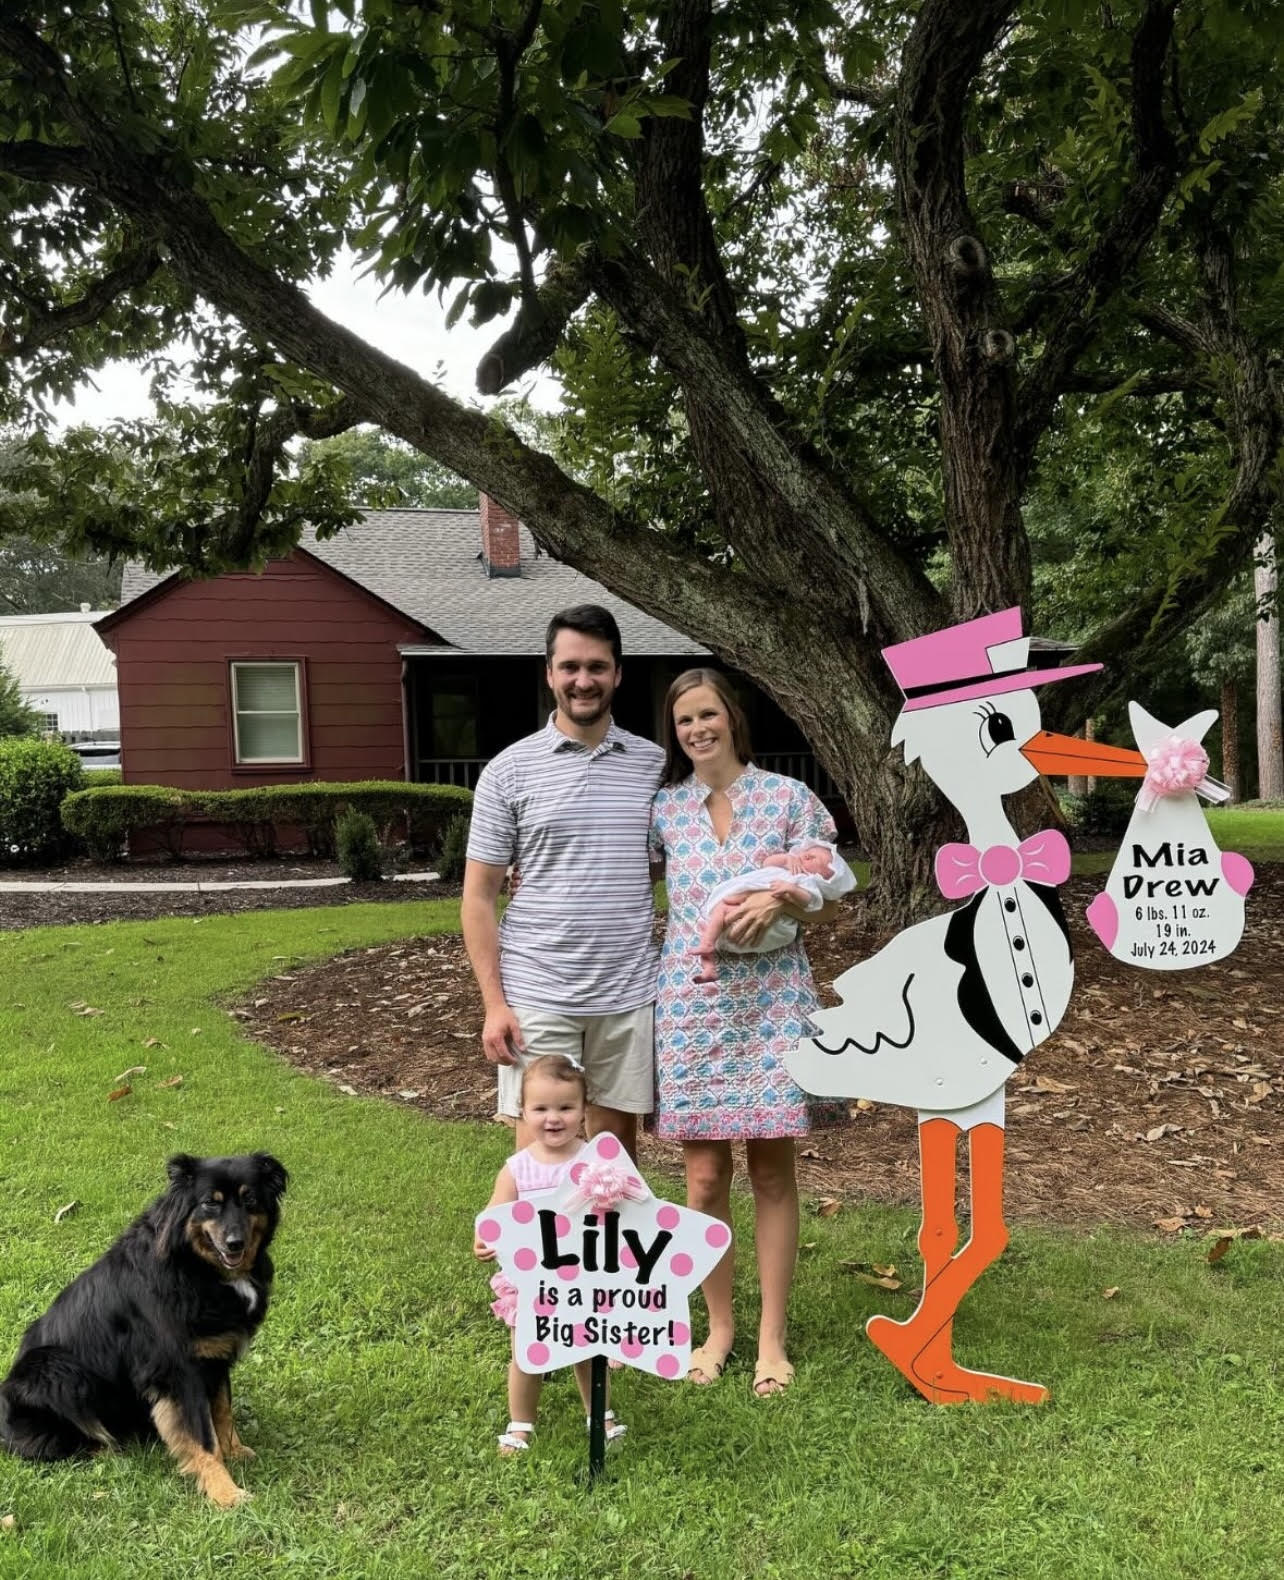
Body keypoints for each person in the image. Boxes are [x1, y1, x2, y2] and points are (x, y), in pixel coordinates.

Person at [648, 668, 847, 1396]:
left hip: (772, 999)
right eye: (684, 722)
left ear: (732, 717)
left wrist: (783, 901)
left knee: (770, 1170)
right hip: (692, 1000)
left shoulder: (788, 798)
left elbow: (828, 898)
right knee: (702, 1179)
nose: (697, 730)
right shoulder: (665, 808)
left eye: (708, 715)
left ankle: (771, 1340)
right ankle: (719, 1327)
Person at [461, 604, 664, 1157]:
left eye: (597, 666)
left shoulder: (654, 766)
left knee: (615, 1154)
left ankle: (610, 1247)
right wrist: (494, 1004)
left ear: (618, 673)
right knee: (541, 1153)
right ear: (549, 673)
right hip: (538, 991)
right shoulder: (508, 771)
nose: (583, 680)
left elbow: (662, 866)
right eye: (570, 666)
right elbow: (478, 899)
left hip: (627, 991)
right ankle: (543, 1249)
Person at [474, 1055, 626, 1454]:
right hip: (532, 1277)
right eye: (540, 1108)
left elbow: (625, 1214)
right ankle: (521, 1423)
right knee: (528, 1351)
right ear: (522, 1112)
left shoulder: (597, 1163)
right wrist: (486, 1236)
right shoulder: (517, 1169)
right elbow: (496, 1211)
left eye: (565, 1107)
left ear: (584, 1111)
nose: (552, 1118)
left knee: (587, 1349)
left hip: (585, 1274)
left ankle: (600, 1416)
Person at [690, 839, 856, 983]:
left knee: (724, 913)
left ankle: (709, 947)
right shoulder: (787, 866)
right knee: (721, 911)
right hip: (727, 916)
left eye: (814, 859)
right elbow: (768, 863)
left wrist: (788, 894)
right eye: (807, 852)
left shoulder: (806, 882)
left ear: (822, 876)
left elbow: (812, 903)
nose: (806, 855)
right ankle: (708, 960)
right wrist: (786, 858)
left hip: (767, 935)